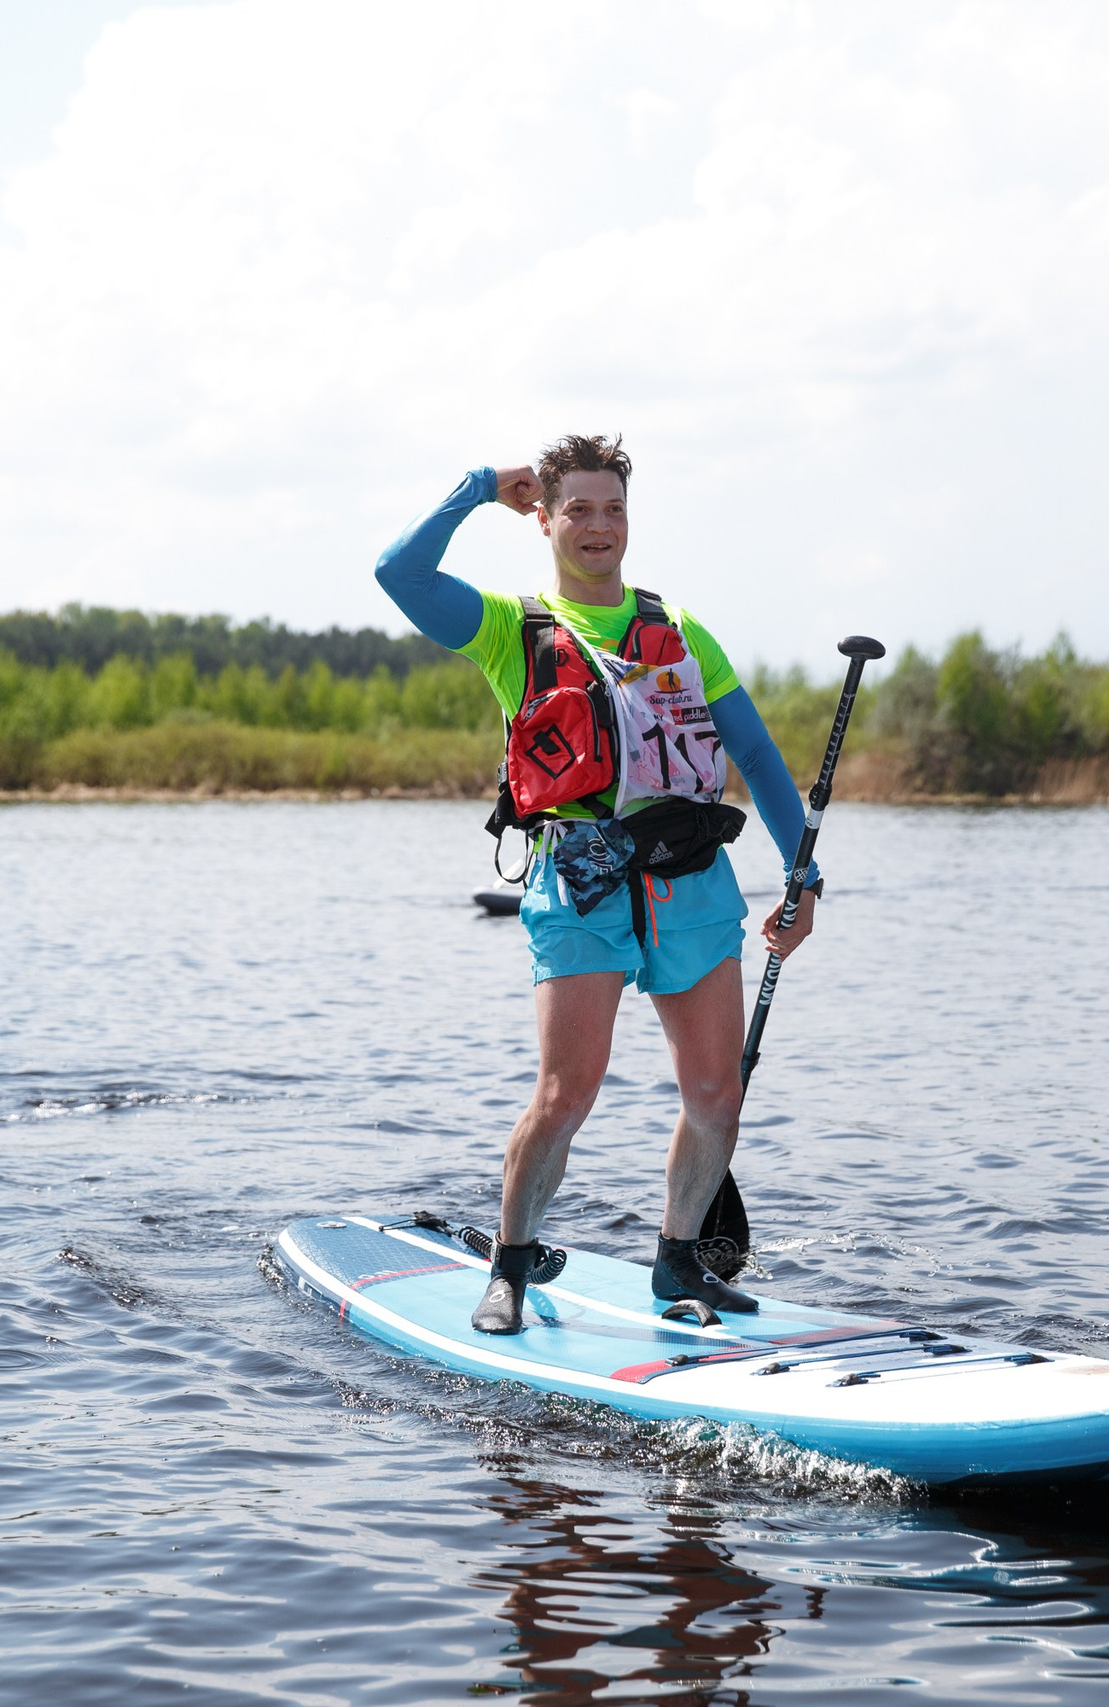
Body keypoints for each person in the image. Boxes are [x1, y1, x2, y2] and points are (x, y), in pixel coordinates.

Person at [375, 435, 822, 1335]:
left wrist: (802, 872)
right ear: (543, 518)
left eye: (612, 508)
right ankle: (509, 1266)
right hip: (578, 882)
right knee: (566, 1093)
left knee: (716, 1093)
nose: (598, 526)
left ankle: (678, 1260)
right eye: (577, 508)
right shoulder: (512, 628)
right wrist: (472, 490)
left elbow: (759, 754)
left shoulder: (681, 630)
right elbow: (400, 574)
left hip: (693, 882)